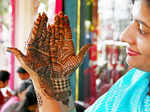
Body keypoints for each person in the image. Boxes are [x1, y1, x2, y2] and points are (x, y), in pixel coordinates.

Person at [6, 0, 150, 111]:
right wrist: (49, 79)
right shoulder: (136, 80)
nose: (124, 36)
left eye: (143, 29)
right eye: (132, 21)